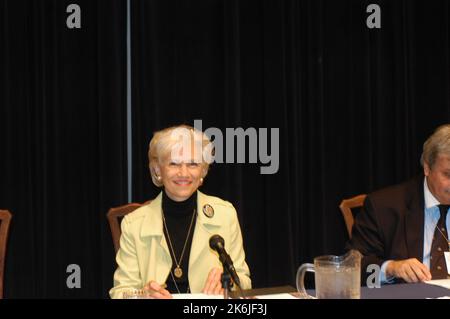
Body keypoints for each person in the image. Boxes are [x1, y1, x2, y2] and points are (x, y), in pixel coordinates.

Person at [109, 125, 251, 299]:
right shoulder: (133, 224)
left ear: (203, 171)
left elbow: (244, 281)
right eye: (174, 163)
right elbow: (120, 292)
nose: (183, 173)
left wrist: (227, 284)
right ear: (158, 170)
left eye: (193, 164)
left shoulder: (225, 215)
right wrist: (141, 295)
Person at [347, 124, 450, 284]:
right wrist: (391, 268)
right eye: (447, 174)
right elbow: (354, 270)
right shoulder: (384, 207)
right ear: (427, 168)